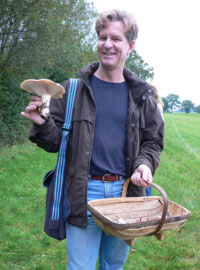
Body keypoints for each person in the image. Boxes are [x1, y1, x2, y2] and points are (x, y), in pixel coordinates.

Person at [21, 9, 164, 270]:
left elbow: (153, 142)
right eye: (102, 37)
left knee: (113, 267)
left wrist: (145, 165)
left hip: (126, 193)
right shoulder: (73, 90)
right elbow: (54, 143)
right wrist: (42, 123)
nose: (107, 44)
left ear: (130, 46)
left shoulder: (142, 97)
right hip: (84, 192)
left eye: (116, 39)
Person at [146, 83, 164, 196]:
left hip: (149, 143)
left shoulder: (156, 107)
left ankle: (146, 197)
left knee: (145, 176)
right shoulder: (157, 105)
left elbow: (156, 131)